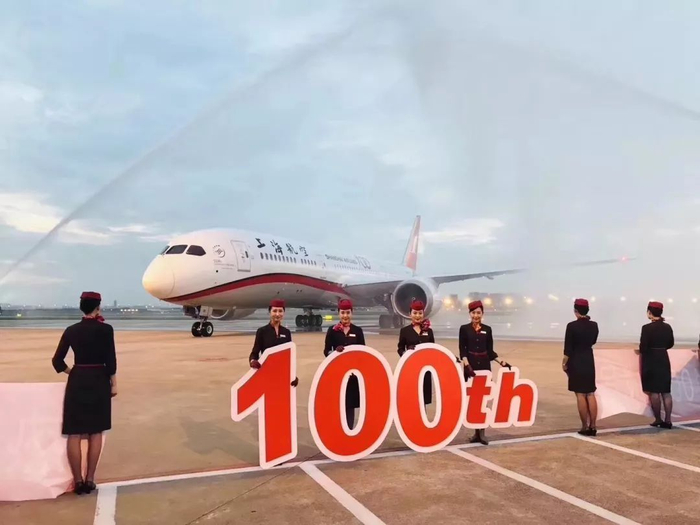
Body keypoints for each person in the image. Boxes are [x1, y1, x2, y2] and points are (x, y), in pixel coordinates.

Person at [51, 292, 117, 495]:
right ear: (98, 307)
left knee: (74, 432)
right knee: (96, 431)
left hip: (78, 379)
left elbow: (57, 361)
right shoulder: (106, 329)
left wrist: (73, 372)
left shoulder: (71, 330)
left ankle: (77, 481)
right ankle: (90, 479)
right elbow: (111, 361)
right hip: (99, 379)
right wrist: (114, 384)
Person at [459, 300, 509, 445]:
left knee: (483, 400)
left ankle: (482, 433)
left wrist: (501, 362)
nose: (476, 315)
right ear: (470, 314)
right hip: (471, 367)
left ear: (482, 314)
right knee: (473, 401)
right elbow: (462, 349)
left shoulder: (488, 329)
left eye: (478, 313)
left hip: (484, 367)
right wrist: (467, 365)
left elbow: (490, 351)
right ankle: (476, 432)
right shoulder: (464, 329)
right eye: (473, 313)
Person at [324, 299, 366, 429]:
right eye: (342, 313)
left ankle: (349, 428)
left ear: (352, 313)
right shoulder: (332, 331)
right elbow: (326, 351)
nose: (345, 316)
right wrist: (334, 352)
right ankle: (337, 428)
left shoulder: (358, 331)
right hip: (338, 373)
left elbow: (363, 352)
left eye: (348, 313)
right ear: (339, 313)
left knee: (350, 404)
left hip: (352, 376)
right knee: (337, 402)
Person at [562, 298, 599, 436]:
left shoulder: (572, 326)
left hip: (576, 360)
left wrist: (564, 363)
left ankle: (584, 426)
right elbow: (593, 341)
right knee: (590, 393)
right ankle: (593, 425)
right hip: (588, 359)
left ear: (575, 311)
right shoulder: (594, 325)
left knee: (580, 394)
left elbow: (568, 348)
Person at [636, 301, 674, 429]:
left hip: (651, 359)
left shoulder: (646, 328)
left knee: (654, 392)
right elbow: (670, 343)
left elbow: (643, 347)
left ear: (650, 312)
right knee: (666, 392)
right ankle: (668, 420)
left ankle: (658, 419)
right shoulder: (667, 327)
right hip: (663, 358)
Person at [249, 298, 299, 388]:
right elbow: (254, 353)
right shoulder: (262, 331)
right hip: (267, 373)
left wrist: (293, 375)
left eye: (280, 311)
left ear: (284, 313)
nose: (277, 314)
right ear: (270, 312)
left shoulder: (286, 332)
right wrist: (253, 361)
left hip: (282, 375)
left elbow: (289, 357)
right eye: (274, 311)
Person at [397, 300, 435, 406]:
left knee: (423, 398)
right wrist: (406, 353)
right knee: (413, 397)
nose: (417, 316)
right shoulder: (405, 331)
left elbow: (433, 349)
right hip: (411, 368)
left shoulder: (429, 331)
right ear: (410, 314)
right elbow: (400, 348)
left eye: (420, 313)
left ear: (423, 314)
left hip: (425, 369)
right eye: (415, 313)